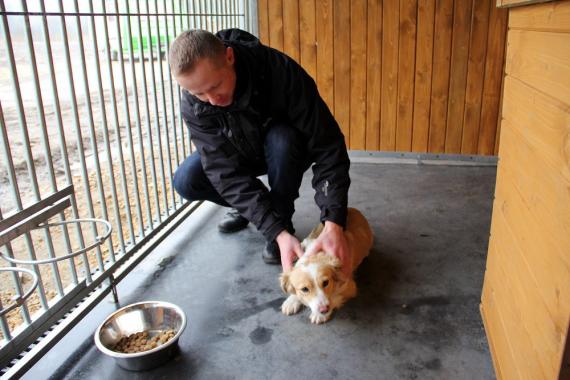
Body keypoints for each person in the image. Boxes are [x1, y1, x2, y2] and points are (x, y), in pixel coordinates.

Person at [169, 28, 351, 274]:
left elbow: (327, 145)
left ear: (229, 57)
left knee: (282, 139)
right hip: (239, 153)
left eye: (216, 86)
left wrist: (333, 223)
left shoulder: (280, 70)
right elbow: (223, 170)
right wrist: (274, 230)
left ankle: (281, 215)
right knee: (186, 180)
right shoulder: (193, 105)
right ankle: (265, 216)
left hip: (284, 150)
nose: (211, 99)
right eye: (199, 94)